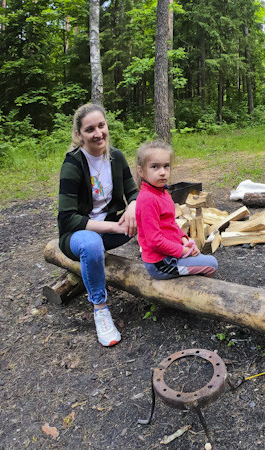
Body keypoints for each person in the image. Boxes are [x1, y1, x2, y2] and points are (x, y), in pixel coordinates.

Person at [57, 104, 138, 347]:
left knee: (149, 209)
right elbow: (68, 217)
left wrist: (133, 206)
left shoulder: (116, 157)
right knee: (92, 245)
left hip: (112, 227)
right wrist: (114, 228)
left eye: (101, 126)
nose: (98, 133)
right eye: (89, 129)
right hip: (78, 235)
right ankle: (101, 310)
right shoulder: (73, 164)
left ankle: (172, 262)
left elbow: (134, 191)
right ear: (78, 134)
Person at [134, 140, 218, 280]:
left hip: (171, 255)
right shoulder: (148, 199)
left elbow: (171, 224)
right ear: (141, 171)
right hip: (160, 263)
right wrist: (183, 251)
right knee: (211, 264)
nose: (162, 172)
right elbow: (154, 240)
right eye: (155, 167)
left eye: (166, 166)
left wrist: (185, 239)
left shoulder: (162, 192)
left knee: (202, 258)